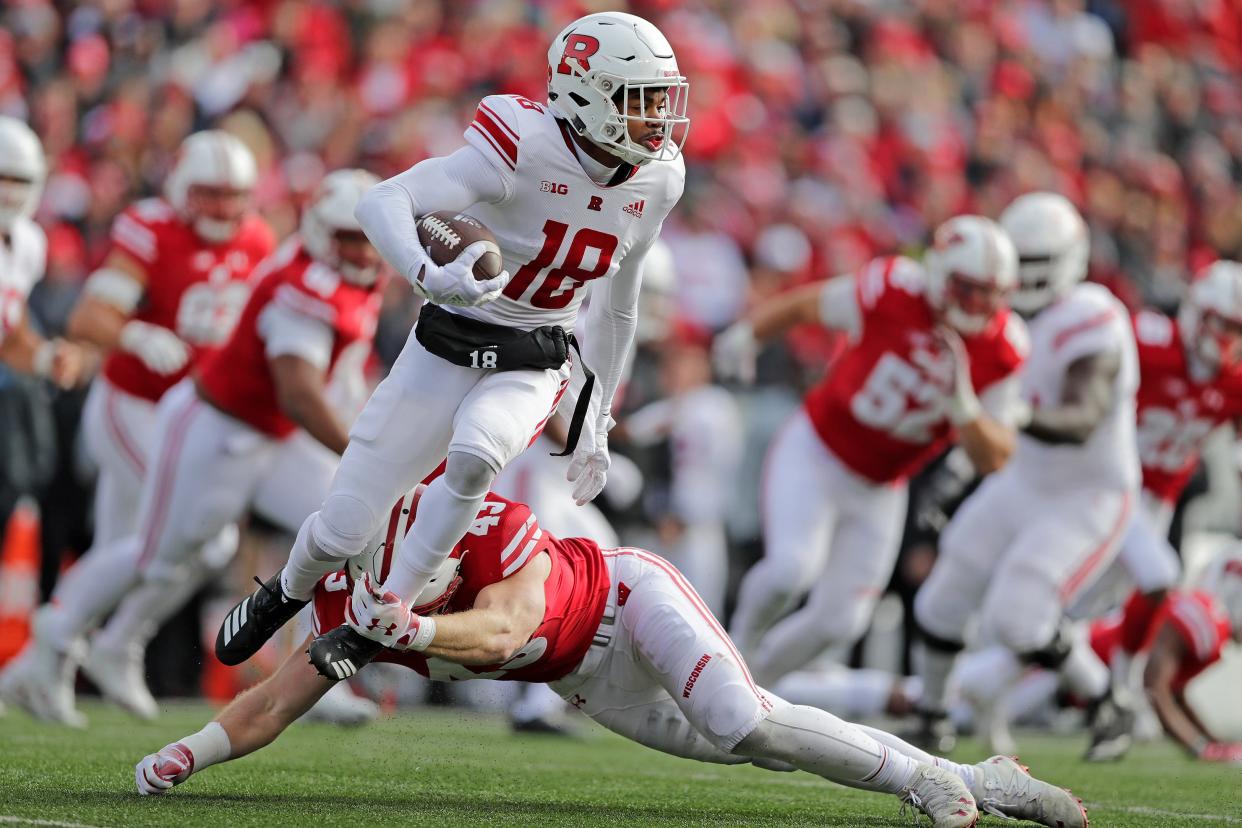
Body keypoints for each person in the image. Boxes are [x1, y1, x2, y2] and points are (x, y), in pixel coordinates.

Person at [137, 487, 1087, 828]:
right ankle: (974, 777)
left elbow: (506, 627)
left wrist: (417, 634)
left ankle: (934, 784)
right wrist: (192, 752)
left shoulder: (477, 521)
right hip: (589, 680)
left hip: (628, 602)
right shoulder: (350, 597)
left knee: (744, 716)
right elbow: (269, 705)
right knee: (760, 742)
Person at [213, 12, 689, 682]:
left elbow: (619, 305)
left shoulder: (659, 178)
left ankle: (382, 614)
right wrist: (429, 275)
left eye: (662, 99)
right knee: (343, 530)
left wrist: (596, 422)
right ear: (586, 94)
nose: (659, 118)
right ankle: (286, 589)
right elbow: (384, 201)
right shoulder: (523, 142)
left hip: (537, 352)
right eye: (640, 99)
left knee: (475, 454)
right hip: (447, 341)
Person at [0, 170, 384, 726]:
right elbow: (299, 394)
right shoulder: (303, 286)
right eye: (348, 236)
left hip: (271, 436)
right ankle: (54, 641)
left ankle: (311, 671)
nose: (361, 249)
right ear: (321, 232)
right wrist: (365, 451)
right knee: (155, 552)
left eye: (369, 235)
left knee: (348, 524)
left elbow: (338, 377)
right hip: (216, 427)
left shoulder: (333, 267)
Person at [713, 215, 1026, 685]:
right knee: (789, 570)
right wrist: (748, 335)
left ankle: (748, 686)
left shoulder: (1002, 347)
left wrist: (963, 407)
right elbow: (806, 306)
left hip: (881, 486)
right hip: (817, 451)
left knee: (842, 621)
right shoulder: (894, 288)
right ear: (940, 274)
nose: (982, 303)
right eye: (970, 288)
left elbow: (996, 457)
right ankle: (727, 652)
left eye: (992, 292)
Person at [910, 192, 1139, 761]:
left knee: (1019, 618)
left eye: (1042, 264)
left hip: (1086, 491)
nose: (1031, 279)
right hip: (1021, 480)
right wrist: (954, 474)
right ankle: (932, 716)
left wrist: (1021, 416)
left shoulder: (1093, 314)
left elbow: (1084, 416)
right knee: (942, 598)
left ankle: (1108, 699)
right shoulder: (996, 319)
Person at [66, 130, 275, 549]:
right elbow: (87, 318)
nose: (224, 207)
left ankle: (82, 614)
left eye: (234, 195)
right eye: (210, 194)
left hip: (193, 412)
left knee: (125, 541)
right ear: (181, 189)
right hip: (134, 402)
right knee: (193, 527)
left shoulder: (256, 239)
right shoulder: (153, 229)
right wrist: (136, 334)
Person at [0, 116, 81, 387]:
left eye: (18, 180)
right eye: (0, 177)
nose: (7, 193)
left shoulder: (27, 243)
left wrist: (48, 358)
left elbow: (9, 340)